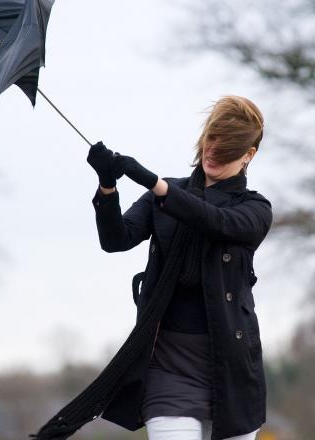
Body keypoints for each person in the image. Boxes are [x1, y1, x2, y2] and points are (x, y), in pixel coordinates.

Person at [82, 95, 272, 440]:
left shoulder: (255, 209)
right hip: (168, 368)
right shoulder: (166, 194)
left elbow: (216, 221)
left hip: (231, 374)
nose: (213, 152)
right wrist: (107, 187)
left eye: (226, 149)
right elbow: (116, 239)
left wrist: (155, 184)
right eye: (211, 140)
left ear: (249, 155)